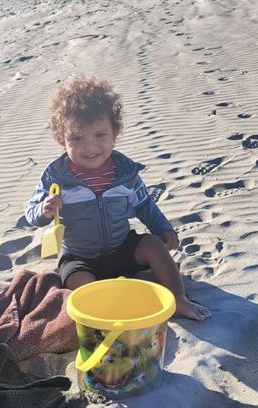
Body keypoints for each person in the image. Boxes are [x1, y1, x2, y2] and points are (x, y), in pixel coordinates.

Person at [25, 77, 210, 321]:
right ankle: (105, 314)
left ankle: (177, 298)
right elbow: (31, 213)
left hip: (123, 248)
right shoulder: (56, 177)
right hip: (80, 257)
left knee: (153, 245)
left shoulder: (125, 174)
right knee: (76, 280)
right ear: (62, 139)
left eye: (100, 135)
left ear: (115, 132)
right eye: (77, 138)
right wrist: (44, 210)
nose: (90, 147)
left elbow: (145, 206)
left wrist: (162, 228)